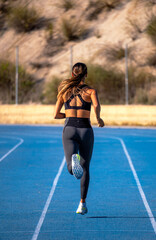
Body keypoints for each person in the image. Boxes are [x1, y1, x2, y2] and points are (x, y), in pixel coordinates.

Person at [54, 62, 104, 215]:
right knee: (85, 168)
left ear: (72, 74)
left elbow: (56, 115)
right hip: (85, 130)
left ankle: (72, 164)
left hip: (69, 129)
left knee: (71, 166)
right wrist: (98, 118)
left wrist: (68, 114)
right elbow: (96, 105)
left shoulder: (64, 90)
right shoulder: (91, 91)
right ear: (86, 74)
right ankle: (82, 204)